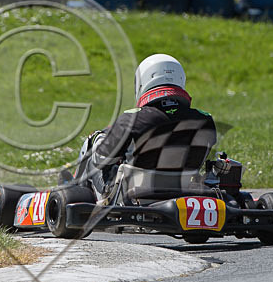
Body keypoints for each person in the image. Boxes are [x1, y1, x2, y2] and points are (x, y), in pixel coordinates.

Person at [76, 53, 217, 200]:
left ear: (143, 82)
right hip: (185, 193)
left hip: (133, 198)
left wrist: (103, 138)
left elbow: (101, 159)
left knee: (94, 142)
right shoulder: (205, 120)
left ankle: (77, 197)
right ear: (180, 80)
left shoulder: (132, 120)